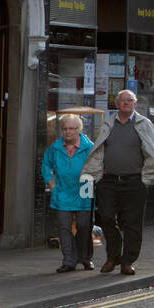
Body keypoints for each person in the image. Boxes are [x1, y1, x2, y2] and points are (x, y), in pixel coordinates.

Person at [82, 89, 154, 276]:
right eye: (122, 100)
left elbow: (153, 151)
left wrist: (146, 178)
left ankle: (127, 261)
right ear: (117, 104)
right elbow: (99, 150)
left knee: (132, 224)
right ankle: (113, 257)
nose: (126, 103)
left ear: (135, 104)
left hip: (134, 182)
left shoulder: (145, 124)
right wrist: (95, 175)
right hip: (108, 181)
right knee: (107, 218)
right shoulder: (108, 124)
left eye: (130, 100)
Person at [42, 115, 95, 273]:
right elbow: (46, 165)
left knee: (84, 226)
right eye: (65, 129)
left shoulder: (90, 147)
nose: (67, 132)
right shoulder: (55, 148)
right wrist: (51, 183)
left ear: (79, 130)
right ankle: (69, 261)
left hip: (85, 189)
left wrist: (93, 180)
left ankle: (85, 258)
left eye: (71, 128)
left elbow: (99, 165)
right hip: (62, 191)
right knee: (64, 227)